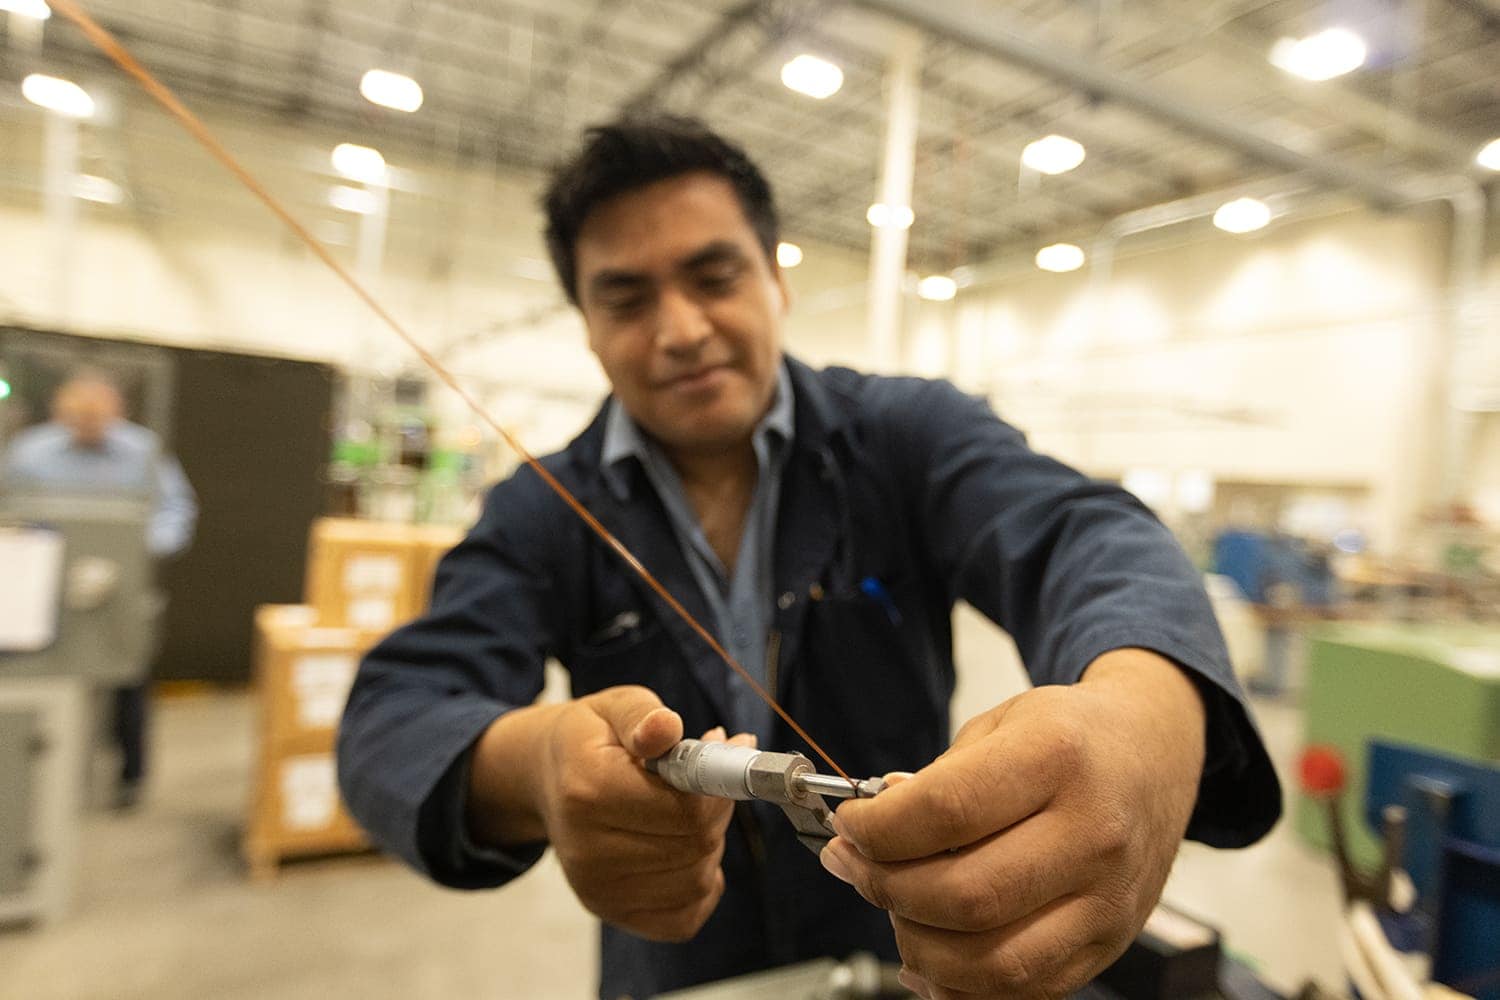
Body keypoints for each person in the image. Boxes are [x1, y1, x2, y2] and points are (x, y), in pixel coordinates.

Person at [338, 116, 1280, 1000]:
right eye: (626, 297)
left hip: (911, 951)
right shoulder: (544, 509)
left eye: (714, 276)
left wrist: (1146, 720)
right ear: (585, 323)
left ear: (775, 279)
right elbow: (393, 718)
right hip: (676, 970)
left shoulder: (905, 436)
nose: (680, 329)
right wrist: (532, 765)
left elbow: (1087, 536)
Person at [2, 369, 198, 808]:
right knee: (37, 676)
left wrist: (137, 551)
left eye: (97, 415)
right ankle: (32, 774)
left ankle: (131, 777)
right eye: (78, 414)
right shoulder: (29, 454)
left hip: (120, 593)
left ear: (116, 412)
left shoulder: (143, 452)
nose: (88, 423)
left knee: (128, 679)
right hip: (42, 591)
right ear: (60, 410)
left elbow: (176, 510)